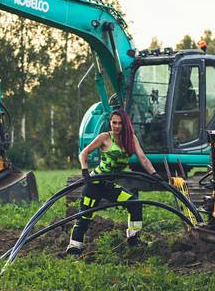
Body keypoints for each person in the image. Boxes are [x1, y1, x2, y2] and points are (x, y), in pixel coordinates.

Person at [66, 109, 162, 255]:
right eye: (114, 122)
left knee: (135, 203)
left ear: (125, 124)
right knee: (85, 216)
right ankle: (74, 247)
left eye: (120, 123)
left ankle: (133, 239)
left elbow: (143, 158)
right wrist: (85, 171)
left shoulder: (131, 139)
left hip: (109, 186)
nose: (116, 126)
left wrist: (154, 174)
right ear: (110, 123)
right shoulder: (104, 137)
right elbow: (83, 153)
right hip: (94, 184)